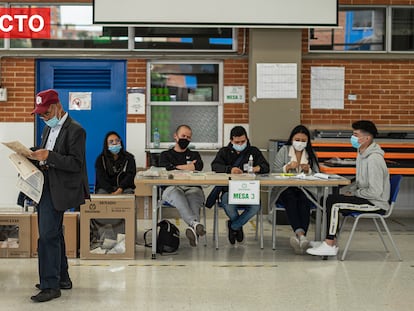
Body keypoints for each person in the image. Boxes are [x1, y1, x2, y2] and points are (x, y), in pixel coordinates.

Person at [29, 89, 89, 302]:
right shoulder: (47, 130)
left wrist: (49, 156)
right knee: (54, 233)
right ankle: (62, 277)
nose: (44, 118)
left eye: (46, 113)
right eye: (41, 115)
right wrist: (33, 154)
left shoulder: (76, 130)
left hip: (61, 188)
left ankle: (50, 285)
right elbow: (48, 154)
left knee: (47, 236)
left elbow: (75, 163)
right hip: (46, 185)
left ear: (57, 106)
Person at [307, 120, 390, 257]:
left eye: (356, 134)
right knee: (326, 199)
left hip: (376, 203)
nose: (353, 138)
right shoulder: (362, 154)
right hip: (366, 197)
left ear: (367, 138)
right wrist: (350, 190)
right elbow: (360, 181)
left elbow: (375, 191)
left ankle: (329, 244)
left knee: (334, 203)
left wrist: (355, 193)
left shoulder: (374, 159)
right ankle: (331, 241)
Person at [211, 125, 269, 244]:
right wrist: (229, 169)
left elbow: (266, 167)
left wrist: (257, 168)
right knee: (227, 201)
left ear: (247, 139)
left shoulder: (254, 151)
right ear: (231, 141)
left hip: (249, 190)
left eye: (243, 141)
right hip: (229, 190)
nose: (240, 143)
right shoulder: (224, 152)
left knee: (255, 207)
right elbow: (215, 166)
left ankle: (234, 226)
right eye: (237, 142)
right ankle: (237, 225)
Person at [271, 125, 320, 254]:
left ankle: (300, 236)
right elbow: (274, 172)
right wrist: (287, 167)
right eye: (297, 139)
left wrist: (308, 170)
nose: (300, 143)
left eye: (303, 140)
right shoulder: (284, 150)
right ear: (292, 139)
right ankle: (301, 236)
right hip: (285, 187)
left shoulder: (311, 154)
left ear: (308, 141)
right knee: (291, 198)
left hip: (305, 188)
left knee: (304, 201)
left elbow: (317, 174)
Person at [158, 124, 206, 247]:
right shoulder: (165, 155)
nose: (185, 139)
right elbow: (166, 168)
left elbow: (199, 166)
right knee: (178, 195)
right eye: (183, 136)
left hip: (192, 187)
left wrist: (176, 167)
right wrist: (188, 167)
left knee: (194, 197)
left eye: (188, 137)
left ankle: (193, 229)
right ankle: (195, 224)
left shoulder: (195, 154)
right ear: (175, 136)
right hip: (172, 188)